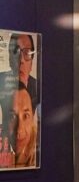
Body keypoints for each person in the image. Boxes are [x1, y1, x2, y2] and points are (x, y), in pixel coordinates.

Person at [9, 33, 39, 168]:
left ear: (32, 62)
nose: (21, 60)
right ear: (9, 58)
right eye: (15, 52)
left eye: (27, 52)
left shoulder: (40, 92)